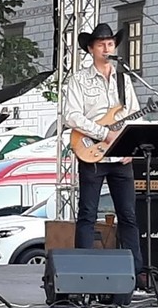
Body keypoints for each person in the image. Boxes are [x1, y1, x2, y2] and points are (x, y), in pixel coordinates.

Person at [63, 22, 146, 289]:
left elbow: (134, 114)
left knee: (128, 215)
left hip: (119, 156)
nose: (107, 48)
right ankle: (83, 274)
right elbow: (71, 116)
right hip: (92, 152)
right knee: (88, 213)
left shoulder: (124, 80)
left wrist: (131, 145)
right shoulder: (79, 79)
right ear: (91, 49)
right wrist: (103, 133)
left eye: (110, 44)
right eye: (101, 44)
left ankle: (136, 273)